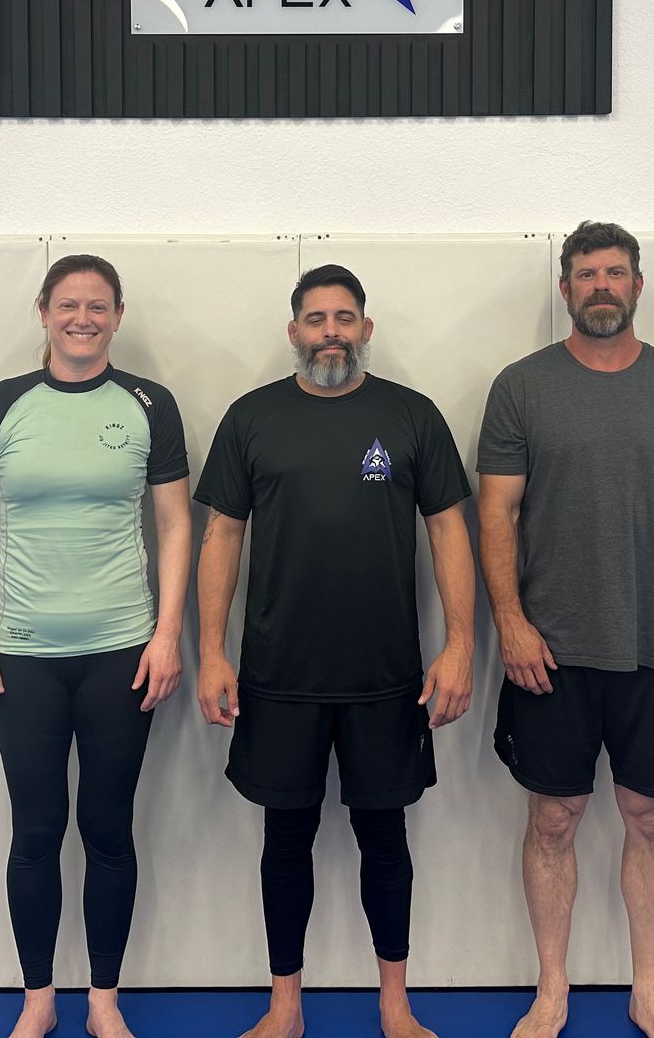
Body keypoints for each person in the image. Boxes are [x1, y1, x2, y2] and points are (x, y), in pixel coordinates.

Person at [476, 222, 654, 1038]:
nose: (602, 286)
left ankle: (648, 991)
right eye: (587, 274)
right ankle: (551, 990)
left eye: (615, 273)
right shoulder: (521, 388)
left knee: (651, 817)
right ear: (565, 289)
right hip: (549, 653)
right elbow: (496, 512)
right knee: (552, 819)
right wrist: (511, 623)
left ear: (637, 285)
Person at [195, 264, 475, 1038]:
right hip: (278, 675)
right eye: (316, 319)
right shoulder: (252, 418)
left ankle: (395, 1005)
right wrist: (211, 651)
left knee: (384, 838)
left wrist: (461, 643)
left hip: (385, 676)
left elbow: (449, 530)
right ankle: (285, 1006)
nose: (330, 332)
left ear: (365, 329)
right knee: (285, 840)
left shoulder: (411, 416)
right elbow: (222, 534)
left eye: (344, 318)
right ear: (294, 331)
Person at [0, 254, 193, 1038]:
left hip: (123, 652)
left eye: (97, 306)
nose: (82, 319)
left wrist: (168, 635)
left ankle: (104, 1001)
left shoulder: (149, 404)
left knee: (109, 829)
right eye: (68, 305)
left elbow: (175, 524)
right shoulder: (1, 405)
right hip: (23, 656)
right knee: (36, 830)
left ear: (118, 316)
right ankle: (39, 1000)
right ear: (44, 312)